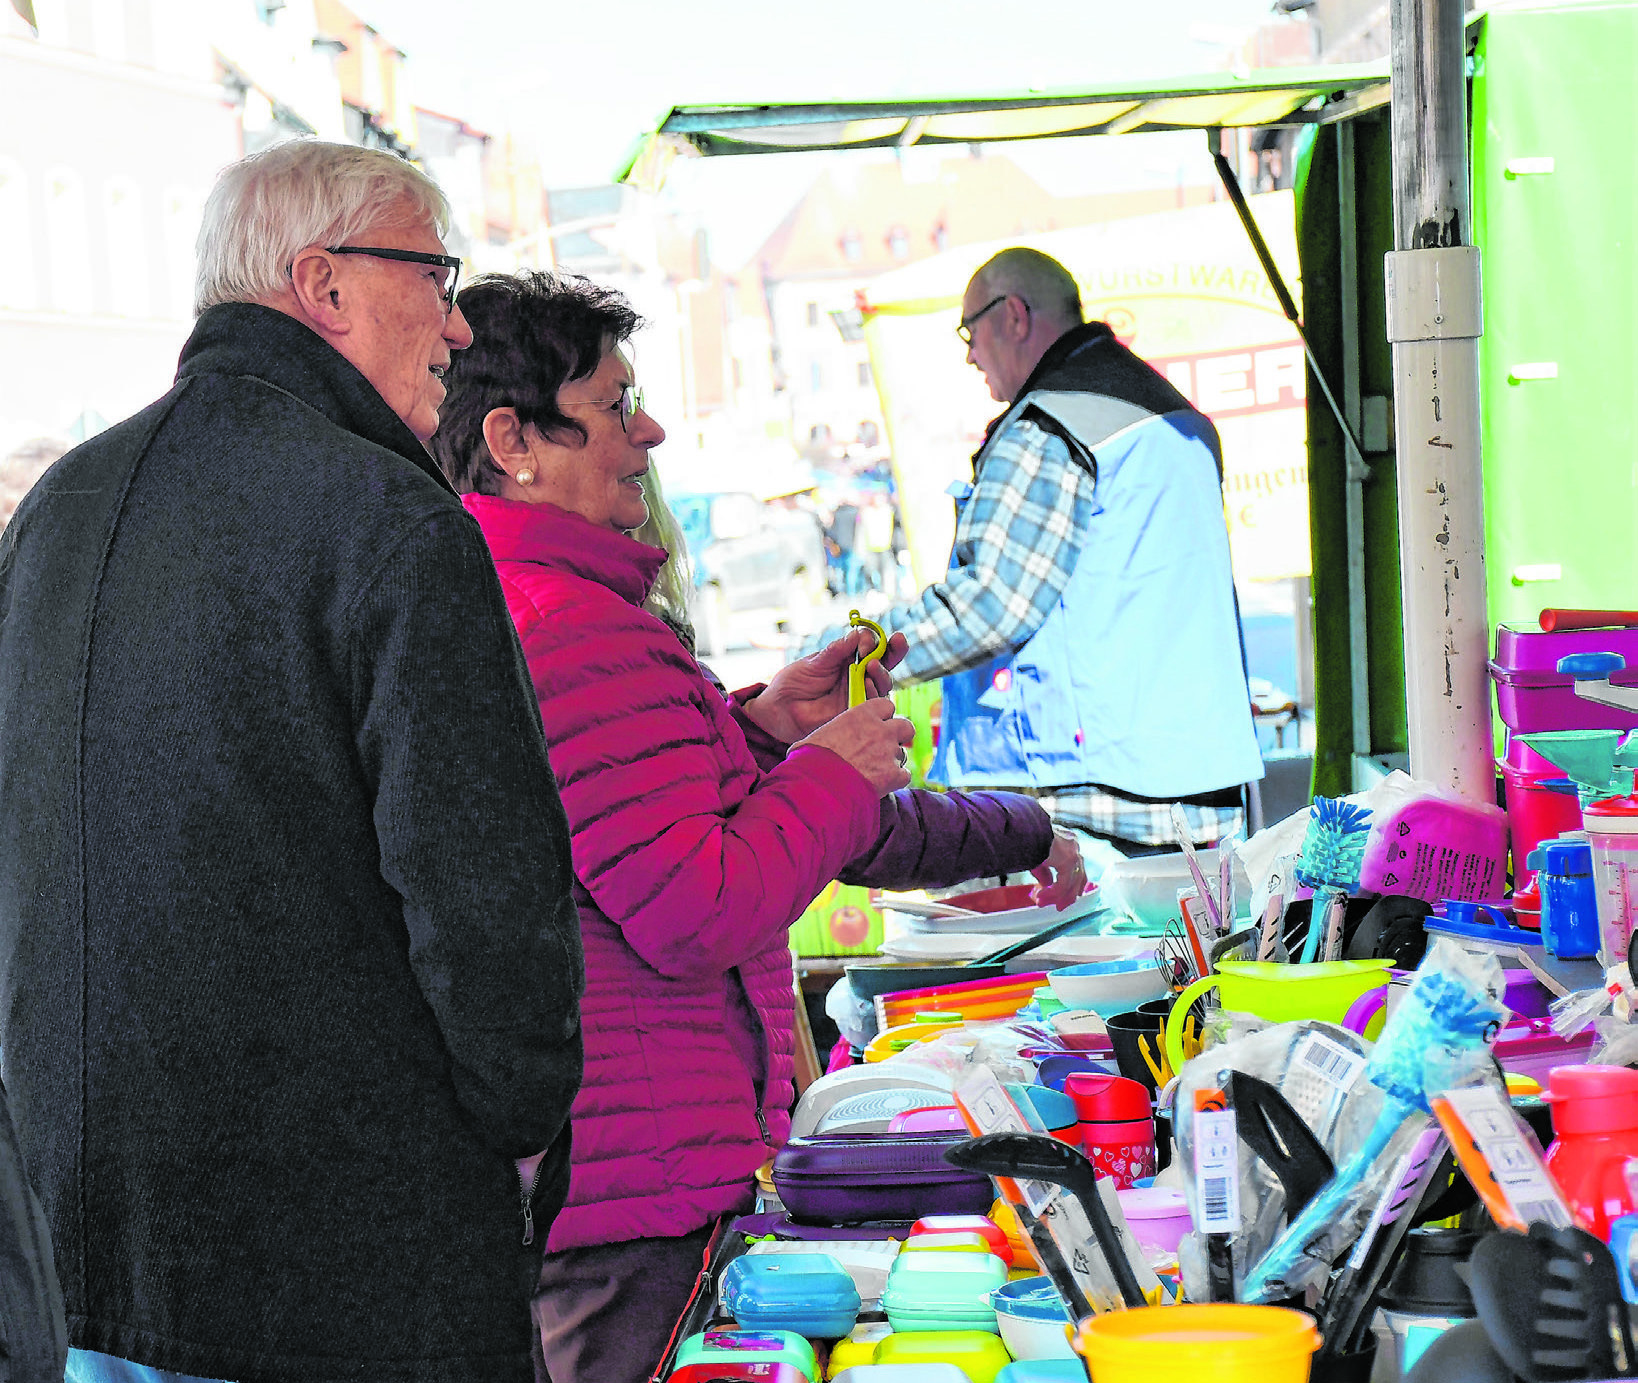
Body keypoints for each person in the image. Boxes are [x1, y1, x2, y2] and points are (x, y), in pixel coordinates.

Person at [428, 269, 1085, 1383]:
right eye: (612, 406)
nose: (650, 431)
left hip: (623, 1186)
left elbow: (667, 819)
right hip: (640, 1195)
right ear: (513, 440)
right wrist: (828, 773)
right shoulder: (567, 626)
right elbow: (694, 905)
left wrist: (769, 735)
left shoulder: (555, 607)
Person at [0, 140, 584, 1383]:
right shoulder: (389, 517)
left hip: (83, 1239)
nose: (457, 319)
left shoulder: (59, 508)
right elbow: (484, 891)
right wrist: (525, 1123)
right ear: (321, 284)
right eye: (433, 272)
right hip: (341, 1260)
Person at [807, 247, 1263, 858]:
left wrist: (852, 661)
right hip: (1194, 778)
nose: (969, 353)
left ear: (1014, 316)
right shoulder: (1166, 412)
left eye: (970, 330)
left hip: (1095, 795)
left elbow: (990, 603)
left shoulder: (1051, 426)